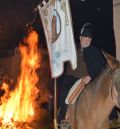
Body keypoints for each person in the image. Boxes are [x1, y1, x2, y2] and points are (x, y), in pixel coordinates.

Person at [58, 22, 106, 122]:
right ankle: (63, 120)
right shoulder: (73, 50)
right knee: (65, 95)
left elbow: (99, 67)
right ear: (80, 38)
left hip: (87, 80)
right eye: (85, 37)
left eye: (89, 38)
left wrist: (90, 76)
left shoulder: (94, 51)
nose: (87, 40)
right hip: (71, 79)